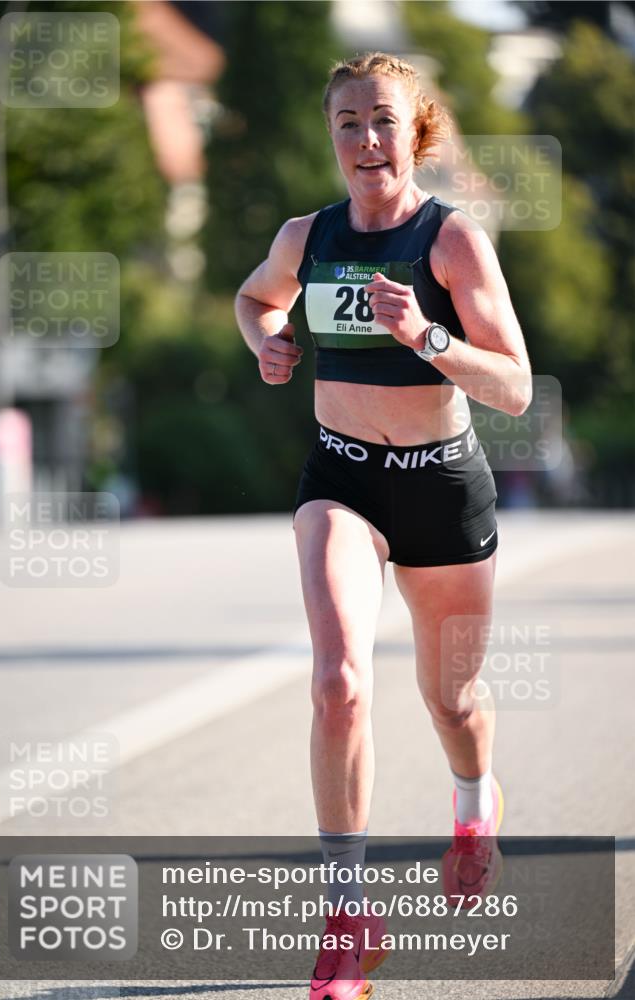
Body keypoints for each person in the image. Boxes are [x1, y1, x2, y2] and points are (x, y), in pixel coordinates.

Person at [235, 52, 531, 1000]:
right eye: (348, 123)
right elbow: (254, 297)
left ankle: (474, 804)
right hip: (342, 479)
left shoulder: (451, 243)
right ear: (333, 135)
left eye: (382, 121)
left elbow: (516, 388)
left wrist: (427, 338)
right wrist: (268, 341)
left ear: (416, 130)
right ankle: (347, 920)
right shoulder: (305, 235)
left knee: (451, 700)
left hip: (442, 484)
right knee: (338, 684)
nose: (366, 140)